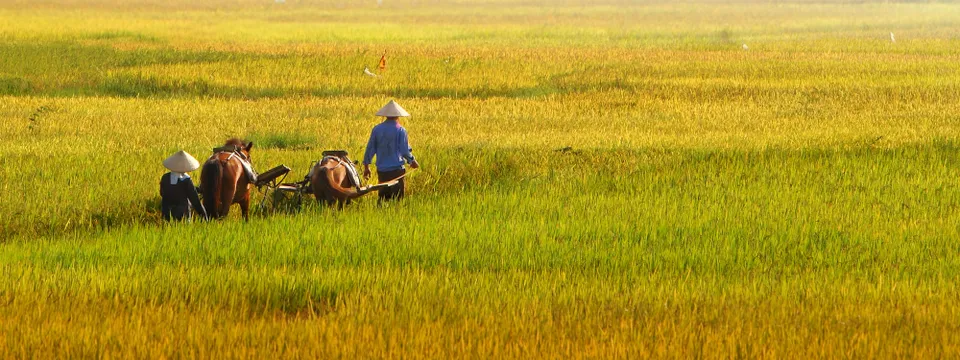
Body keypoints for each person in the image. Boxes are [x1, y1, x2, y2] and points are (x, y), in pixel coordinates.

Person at [363, 100, 420, 203]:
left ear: (386, 115)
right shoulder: (400, 130)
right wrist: (412, 161)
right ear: (398, 116)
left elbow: (370, 148)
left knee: (383, 199)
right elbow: (404, 150)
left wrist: (366, 167)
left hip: (382, 171)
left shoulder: (376, 129)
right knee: (397, 200)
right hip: (397, 170)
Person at [160, 150, 208, 221]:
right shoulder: (186, 180)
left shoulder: (165, 177)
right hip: (183, 216)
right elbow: (195, 200)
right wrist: (204, 216)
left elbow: (162, 193)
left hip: (166, 213)